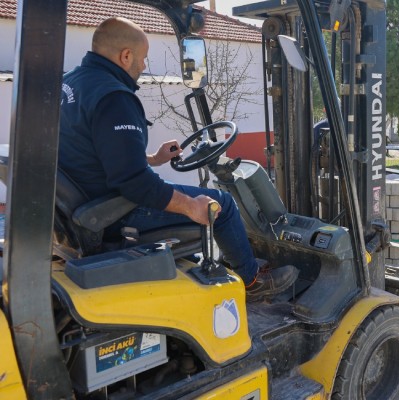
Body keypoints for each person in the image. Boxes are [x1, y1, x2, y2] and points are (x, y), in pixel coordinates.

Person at [58, 17, 297, 301]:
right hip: (114, 213)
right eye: (143, 59)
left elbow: (95, 154)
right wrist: (189, 206)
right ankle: (251, 281)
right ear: (125, 56)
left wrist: (153, 158)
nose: (144, 66)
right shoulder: (114, 98)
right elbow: (135, 184)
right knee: (222, 205)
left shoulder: (70, 84)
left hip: (84, 208)